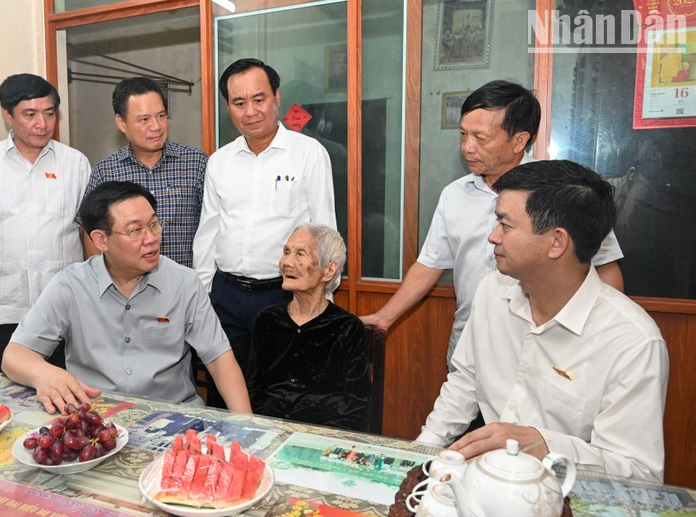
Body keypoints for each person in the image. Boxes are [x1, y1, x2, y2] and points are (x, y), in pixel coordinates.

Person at [417, 160, 668, 482]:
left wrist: (546, 445)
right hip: (487, 484)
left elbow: (638, 473)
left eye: (505, 226)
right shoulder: (492, 292)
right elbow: (465, 383)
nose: (493, 237)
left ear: (556, 242)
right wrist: (422, 455)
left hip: (567, 501)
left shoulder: (632, 342)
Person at [361, 80, 624, 370]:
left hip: (544, 350)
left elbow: (606, 268)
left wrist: (605, 337)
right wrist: (385, 317)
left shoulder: (564, 193)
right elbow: (429, 265)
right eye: (463, 135)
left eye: (481, 138)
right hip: (470, 347)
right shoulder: (455, 194)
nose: (467, 147)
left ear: (519, 140)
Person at [1, 181, 251, 415]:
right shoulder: (69, 286)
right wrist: (44, 374)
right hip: (96, 419)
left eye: (154, 224)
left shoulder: (185, 283)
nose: (151, 238)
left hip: (173, 417)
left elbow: (220, 361)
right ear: (101, 240)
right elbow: (14, 356)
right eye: (135, 231)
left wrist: (247, 428)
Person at [193, 58, 337, 384]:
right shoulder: (219, 162)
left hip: (284, 295)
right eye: (239, 103)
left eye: (259, 99)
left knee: (282, 394)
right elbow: (208, 233)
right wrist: (203, 302)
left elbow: (324, 231)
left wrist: (322, 302)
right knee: (226, 394)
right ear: (228, 107)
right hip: (226, 297)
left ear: (277, 97)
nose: (251, 111)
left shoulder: (308, 153)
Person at [0, 73, 90, 372]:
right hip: (3, 310)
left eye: (49, 113)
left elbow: (89, 233)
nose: (42, 123)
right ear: (8, 115)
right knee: (5, 398)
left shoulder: (75, 163)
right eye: (30, 114)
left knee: (68, 403)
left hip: (64, 310)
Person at [247, 223, 371, 431]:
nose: (287, 262)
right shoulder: (267, 321)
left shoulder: (347, 329)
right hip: (268, 431)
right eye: (286, 252)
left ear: (329, 270)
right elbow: (253, 391)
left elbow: (356, 406)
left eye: (300, 254)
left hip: (324, 440)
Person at [82, 77, 207, 268]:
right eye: (144, 119)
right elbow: (92, 236)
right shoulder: (105, 172)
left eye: (161, 116)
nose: (156, 126)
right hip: (127, 292)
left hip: (184, 287)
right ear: (121, 122)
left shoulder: (196, 163)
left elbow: (212, 229)